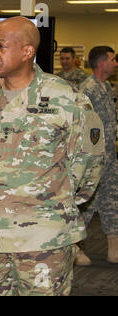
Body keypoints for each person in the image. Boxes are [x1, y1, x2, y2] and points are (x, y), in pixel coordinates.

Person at [0, 16, 104, 296]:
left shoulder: (66, 98)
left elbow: (90, 160)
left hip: (44, 238)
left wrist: (54, 203)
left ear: (27, 52)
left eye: (0, 46)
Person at [78, 46, 118, 265]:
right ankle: (76, 249)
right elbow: (84, 125)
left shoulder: (107, 87)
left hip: (110, 158)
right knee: (86, 204)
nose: (115, 63)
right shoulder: (88, 89)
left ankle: (114, 247)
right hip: (93, 159)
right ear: (102, 63)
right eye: (112, 59)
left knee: (111, 201)